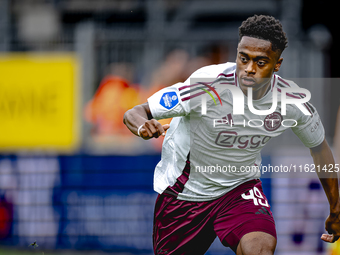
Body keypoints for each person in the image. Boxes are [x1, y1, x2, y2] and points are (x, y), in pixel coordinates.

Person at [123, 15, 340, 255]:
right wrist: (144, 126)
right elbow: (136, 112)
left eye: (260, 62)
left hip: (240, 189)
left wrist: (335, 209)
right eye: (243, 58)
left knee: (259, 249)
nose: (248, 68)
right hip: (185, 193)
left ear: (277, 64)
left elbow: (320, 149)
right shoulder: (207, 84)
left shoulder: (293, 102)